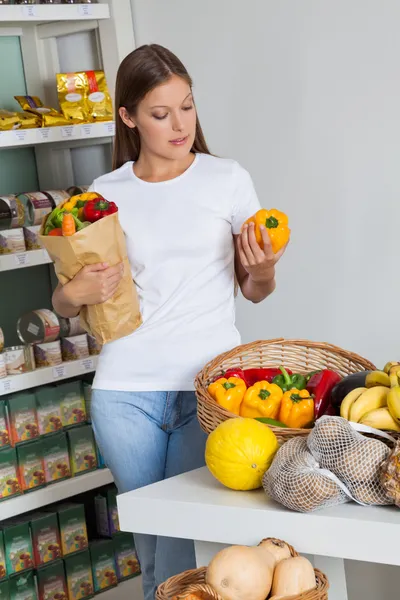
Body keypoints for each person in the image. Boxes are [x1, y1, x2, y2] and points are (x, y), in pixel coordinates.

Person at [52, 44, 288, 600]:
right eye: (160, 114)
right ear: (129, 117)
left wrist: (266, 269)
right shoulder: (106, 194)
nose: (179, 125)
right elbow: (67, 305)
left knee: (189, 549)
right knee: (153, 546)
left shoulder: (227, 179)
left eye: (187, 107)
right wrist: (71, 292)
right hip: (124, 393)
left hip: (207, 389)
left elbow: (255, 292)